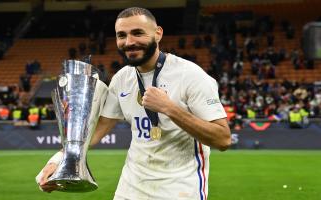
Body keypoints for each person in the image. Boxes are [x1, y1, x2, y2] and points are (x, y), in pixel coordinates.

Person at [36, 7, 231, 200]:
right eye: (122, 35)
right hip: (130, 189)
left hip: (180, 190)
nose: (129, 42)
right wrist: (58, 161)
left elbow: (222, 140)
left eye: (138, 33)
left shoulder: (191, 75)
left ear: (158, 33)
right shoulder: (122, 78)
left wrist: (169, 108)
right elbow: (96, 131)